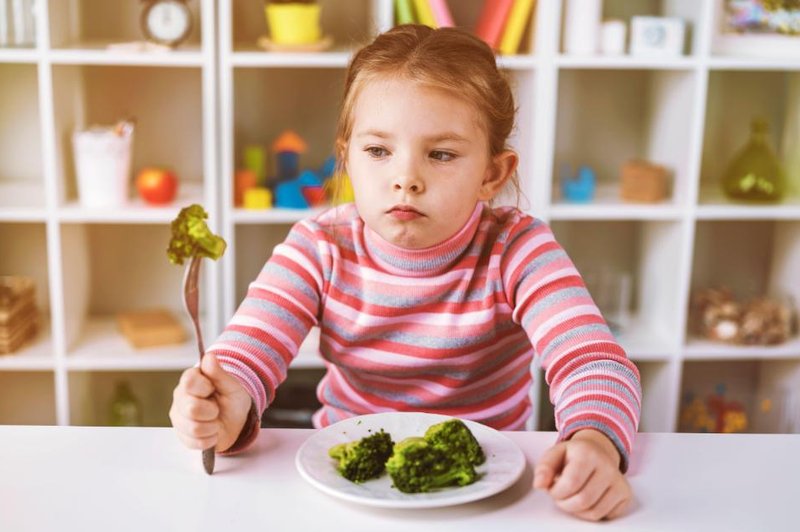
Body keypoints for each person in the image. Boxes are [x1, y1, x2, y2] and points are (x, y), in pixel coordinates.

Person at [169, 24, 641, 522]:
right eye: (378, 151)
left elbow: (594, 362)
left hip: (491, 493)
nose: (406, 178)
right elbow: (247, 354)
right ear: (346, 157)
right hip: (347, 491)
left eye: (441, 154)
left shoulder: (517, 249)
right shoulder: (318, 247)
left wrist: (595, 441)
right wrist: (224, 405)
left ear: (492, 174)